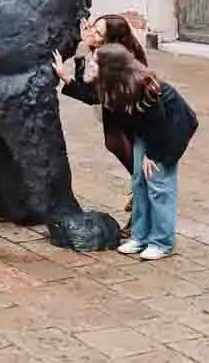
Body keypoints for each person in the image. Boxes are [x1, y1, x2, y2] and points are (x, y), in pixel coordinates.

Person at [54, 43, 198, 260]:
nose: (90, 64)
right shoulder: (110, 84)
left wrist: (154, 155)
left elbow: (158, 123)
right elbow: (92, 97)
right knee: (139, 182)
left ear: (109, 68)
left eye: (94, 62)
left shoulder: (142, 86)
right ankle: (140, 236)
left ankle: (162, 242)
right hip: (145, 133)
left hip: (168, 134)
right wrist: (65, 76)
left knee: (158, 185)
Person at [60, 13, 150, 218]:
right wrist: (87, 46)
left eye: (97, 32)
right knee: (116, 144)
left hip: (130, 116)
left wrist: (66, 79)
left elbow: (92, 93)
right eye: (93, 26)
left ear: (110, 40)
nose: (91, 32)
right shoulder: (109, 51)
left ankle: (141, 209)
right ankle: (140, 194)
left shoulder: (117, 60)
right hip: (117, 112)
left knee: (133, 159)